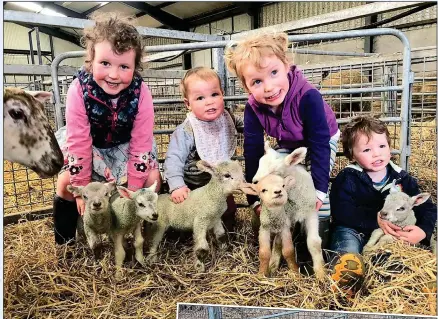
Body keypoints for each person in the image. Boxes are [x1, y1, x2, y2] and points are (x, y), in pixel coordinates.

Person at [224, 31, 340, 272]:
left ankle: (320, 247)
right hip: (289, 139)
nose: (269, 87)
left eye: (274, 73)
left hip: (322, 137)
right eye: (256, 81)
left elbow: (318, 145)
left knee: (312, 194)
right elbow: (253, 150)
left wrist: (319, 191)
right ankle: (291, 241)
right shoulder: (253, 108)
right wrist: (255, 197)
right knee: (281, 182)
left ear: (286, 65)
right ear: (246, 86)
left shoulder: (309, 97)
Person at [53, 13, 161, 245]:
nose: (113, 74)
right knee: (64, 184)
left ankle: (145, 234)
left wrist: (132, 193)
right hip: (90, 149)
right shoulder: (78, 90)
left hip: (126, 147)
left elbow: (141, 142)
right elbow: (79, 141)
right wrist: (81, 189)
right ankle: (65, 243)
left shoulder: (140, 93)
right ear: (90, 60)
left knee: (152, 177)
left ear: (135, 66)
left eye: (124, 66)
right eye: (105, 63)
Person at [329, 115, 437, 295]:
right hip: (354, 230)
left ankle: (389, 278)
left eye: (382, 146)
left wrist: (423, 231)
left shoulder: (402, 178)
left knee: (389, 254)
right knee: (347, 246)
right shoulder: (347, 177)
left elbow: (428, 208)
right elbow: (342, 211)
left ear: (389, 146)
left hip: (390, 235)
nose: (377, 154)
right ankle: (347, 279)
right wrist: (375, 219)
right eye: (366, 150)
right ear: (351, 154)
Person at [163, 67, 243, 231]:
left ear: (222, 94)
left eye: (215, 94)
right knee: (189, 211)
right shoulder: (188, 130)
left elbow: (247, 125)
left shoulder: (228, 117)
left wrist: (260, 121)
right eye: (200, 98)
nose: (209, 101)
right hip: (193, 185)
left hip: (219, 182)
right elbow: (173, 159)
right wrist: (177, 186)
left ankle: (226, 233)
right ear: (188, 104)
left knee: (228, 209)